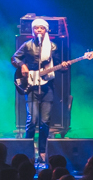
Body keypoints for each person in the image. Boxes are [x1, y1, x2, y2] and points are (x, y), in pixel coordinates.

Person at [12, 18, 64, 163]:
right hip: (31, 86)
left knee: (45, 121)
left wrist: (64, 66)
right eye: (36, 28)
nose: (39, 30)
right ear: (33, 30)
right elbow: (15, 57)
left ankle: (42, 151)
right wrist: (22, 65)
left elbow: (59, 65)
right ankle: (26, 150)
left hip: (47, 87)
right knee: (32, 120)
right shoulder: (28, 45)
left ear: (46, 30)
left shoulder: (52, 47)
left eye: (42, 28)